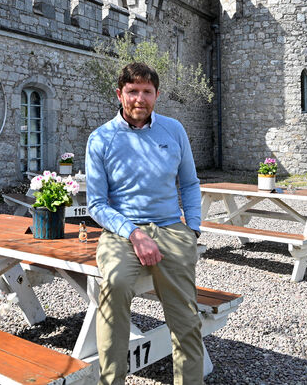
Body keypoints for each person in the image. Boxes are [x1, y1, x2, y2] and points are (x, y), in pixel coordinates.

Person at [85, 62, 203, 385]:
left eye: (147, 92)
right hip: (122, 231)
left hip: (170, 229)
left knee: (186, 320)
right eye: (132, 91)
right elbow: (96, 203)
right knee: (115, 284)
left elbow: (190, 184)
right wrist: (134, 234)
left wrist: (192, 229)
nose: (140, 98)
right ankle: (112, 381)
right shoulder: (100, 139)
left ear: (157, 95)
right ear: (119, 94)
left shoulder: (174, 130)